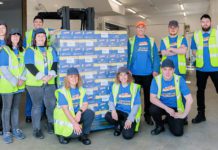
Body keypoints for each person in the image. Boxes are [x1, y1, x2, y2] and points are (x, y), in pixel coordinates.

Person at [24, 28, 58, 139]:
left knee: (51, 105)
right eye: (39, 36)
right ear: (35, 38)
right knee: (37, 106)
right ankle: (36, 129)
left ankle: (50, 123)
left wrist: (51, 75)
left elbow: (55, 62)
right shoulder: (30, 50)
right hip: (34, 83)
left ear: (45, 38)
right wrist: (42, 77)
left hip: (50, 81)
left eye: (43, 36)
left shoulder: (51, 49)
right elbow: (29, 65)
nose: (41, 38)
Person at [127, 21, 160, 125]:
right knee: (134, 97)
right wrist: (128, 69)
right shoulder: (131, 41)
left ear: (145, 29)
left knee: (148, 97)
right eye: (138, 28)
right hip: (134, 74)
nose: (140, 29)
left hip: (148, 74)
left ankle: (147, 116)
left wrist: (155, 70)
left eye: (142, 28)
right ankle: (134, 116)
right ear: (136, 29)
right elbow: (127, 55)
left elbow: (156, 57)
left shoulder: (150, 41)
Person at [149, 59, 193, 136]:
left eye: (170, 69)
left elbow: (189, 99)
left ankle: (172, 119)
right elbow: (152, 98)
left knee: (178, 132)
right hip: (162, 106)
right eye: (165, 69)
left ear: (174, 70)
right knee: (153, 109)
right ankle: (160, 126)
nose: (167, 72)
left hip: (176, 108)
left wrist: (184, 114)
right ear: (161, 70)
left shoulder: (179, 79)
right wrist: (167, 108)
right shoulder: (156, 80)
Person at [54, 67, 95, 145]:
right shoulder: (62, 91)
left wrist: (79, 112)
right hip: (65, 116)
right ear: (67, 78)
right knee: (75, 133)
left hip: (75, 114)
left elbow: (85, 104)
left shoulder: (81, 90)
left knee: (90, 113)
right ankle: (62, 135)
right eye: (71, 76)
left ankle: (83, 135)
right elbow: (65, 110)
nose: (74, 78)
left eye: (76, 76)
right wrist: (75, 124)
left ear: (78, 78)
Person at [24, 15, 53, 123]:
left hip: (45, 72)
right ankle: (28, 115)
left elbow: (57, 31)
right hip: (32, 69)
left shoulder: (46, 32)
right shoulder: (28, 34)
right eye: (36, 22)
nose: (38, 24)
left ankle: (40, 115)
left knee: (45, 99)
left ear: (42, 24)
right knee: (31, 98)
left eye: (40, 22)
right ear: (33, 23)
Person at [191, 14, 218, 124]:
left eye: (207, 21)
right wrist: (198, 56)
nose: (205, 23)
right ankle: (201, 114)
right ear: (200, 23)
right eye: (203, 21)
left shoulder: (216, 33)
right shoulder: (196, 35)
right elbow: (193, 49)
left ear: (210, 22)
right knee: (200, 92)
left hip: (216, 68)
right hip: (201, 68)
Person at [0, 28, 26, 144]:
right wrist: (15, 81)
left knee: (16, 108)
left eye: (17, 35)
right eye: (13, 35)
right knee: (7, 109)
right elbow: (3, 69)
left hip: (19, 85)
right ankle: (6, 132)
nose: (15, 37)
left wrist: (22, 78)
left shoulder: (22, 50)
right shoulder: (5, 50)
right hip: (7, 85)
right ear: (9, 37)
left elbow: (25, 67)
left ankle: (15, 129)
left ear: (20, 38)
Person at [105, 67, 141, 140]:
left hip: (129, 114)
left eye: (125, 75)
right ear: (118, 76)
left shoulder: (134, 87)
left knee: (127, 136)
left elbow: (136, 105)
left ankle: (124, 124)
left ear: (128, 76)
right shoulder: (115, 86)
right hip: (119, 112)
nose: (123, 77)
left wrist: (130, 119)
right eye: (121, 75)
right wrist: (113, 111)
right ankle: (118, 125)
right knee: (108, 116)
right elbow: (111, 100)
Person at [0, 20, 7, 135]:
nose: (1, 30)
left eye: (3, 28)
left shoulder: (9, 43)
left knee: (4, 104)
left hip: (6, 79)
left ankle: (4, 125)